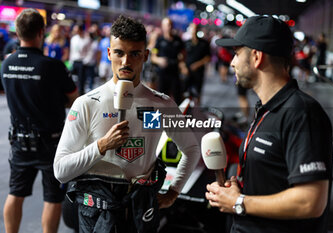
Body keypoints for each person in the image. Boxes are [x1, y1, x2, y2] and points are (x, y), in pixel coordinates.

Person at [54, 15, 200, 233]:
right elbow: (61, 171)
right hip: (96, 209)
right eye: (120, 53)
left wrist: (174, 191)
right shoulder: (87, 103)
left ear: (145, 56)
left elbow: (191, 149)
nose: (125, 62)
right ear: (109, 53)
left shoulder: (161, 104)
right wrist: (101, 146)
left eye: (134, 54)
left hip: (139, 207)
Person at [205, 16, 333, 233]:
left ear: (256, 57)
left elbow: (310, 201)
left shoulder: (302, 113)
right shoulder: (267, 108)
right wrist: (236, 190)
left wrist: (239, 202)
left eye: (236, 54)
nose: (232, 62)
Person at [0, 9, 78, 233]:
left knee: (15, 192)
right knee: (53, 197)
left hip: (19, 141)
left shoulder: (6, 65)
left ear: (17, 32)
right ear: (41, 32)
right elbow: (74, 99)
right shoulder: (51, 66)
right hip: (50, 142)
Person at [151, 17, 185, 105]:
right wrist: (159, 60)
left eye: (170, 25)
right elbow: (153, 57)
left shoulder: (178, 40)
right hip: (163, 74)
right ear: (162, 27)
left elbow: (184, 54)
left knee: (178, 97)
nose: (168, 27)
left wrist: (182, 61)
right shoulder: (159, 40)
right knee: (162, 98)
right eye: (166, 25)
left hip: (175, 73)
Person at [182, 23, 211, 102]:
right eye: (192, 28)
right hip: (187, 71)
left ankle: (197, 110)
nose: (194, 30)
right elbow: (181, 56)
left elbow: (208, 58)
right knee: (184, 91)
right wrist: (183, 67)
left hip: (199, 72)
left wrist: (197, 65)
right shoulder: (186, 43)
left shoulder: (204, 43)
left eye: (195, 28)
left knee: (198, 92)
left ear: (198, 30)